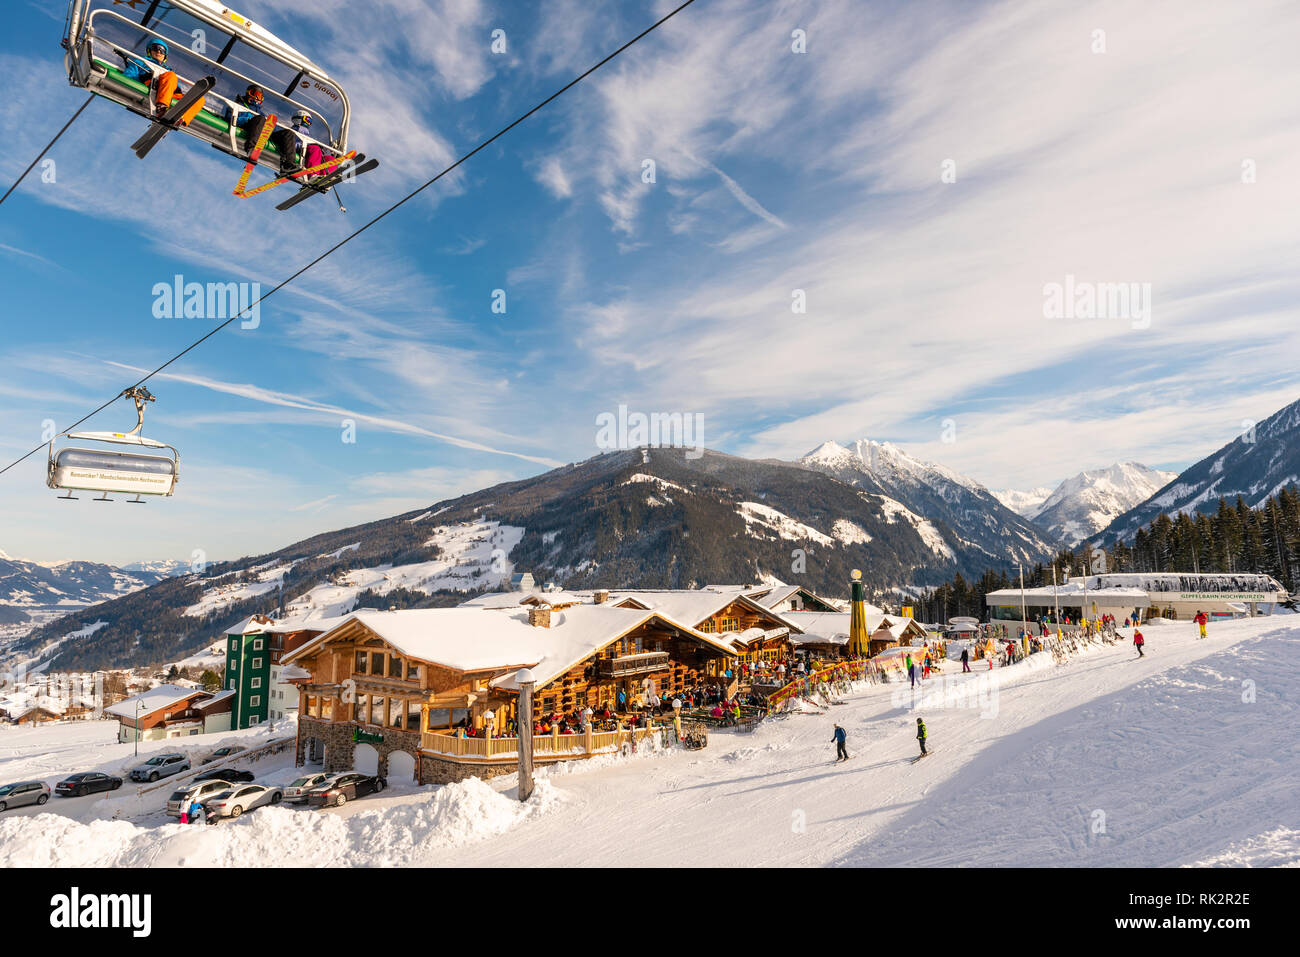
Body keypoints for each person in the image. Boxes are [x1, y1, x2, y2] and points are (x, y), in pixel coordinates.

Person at [118, 38, 206, 126]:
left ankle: (180, 119)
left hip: (171, 93)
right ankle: (162, 108)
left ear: (165, 56)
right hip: (155, 85)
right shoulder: (141, 61)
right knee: (171, 75)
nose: (159, 51)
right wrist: (140, 82)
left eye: (162, 50)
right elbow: (128, 75)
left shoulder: (168, 70)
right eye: (155, 48)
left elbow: (174, 85)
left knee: (199, 99)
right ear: (150, 51)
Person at [269, 108, 340, 178]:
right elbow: (294, 141)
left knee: (330, 158)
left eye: (310, 121)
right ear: (298, 119)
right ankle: (312, 175)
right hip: (294, 148)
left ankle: (325, 176)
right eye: (307, 119)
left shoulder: (306, 133)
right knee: (314, 148)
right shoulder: (291, 131)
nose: (308, 123)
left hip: (304, 149)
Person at [227, 84, 272, 156]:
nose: (256, 98)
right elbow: (229, 117)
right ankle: (251, 148)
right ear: (248, 93)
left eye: (259, 96)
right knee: (260, 118)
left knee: (263, 119)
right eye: (254, 94)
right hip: (243, 125)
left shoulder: (261, 113)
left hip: (255, 130)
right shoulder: (239, 104)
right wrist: (246, 119)